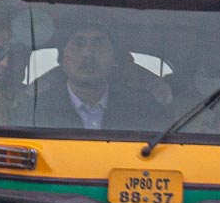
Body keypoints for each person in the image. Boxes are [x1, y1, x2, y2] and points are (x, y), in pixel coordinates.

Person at [26, 19, 165, 131]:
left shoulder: (143, 107)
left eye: (99, 44)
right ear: (61, 59)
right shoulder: (34, 109)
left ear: (115, 59)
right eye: (78, 44)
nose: (88, 54)